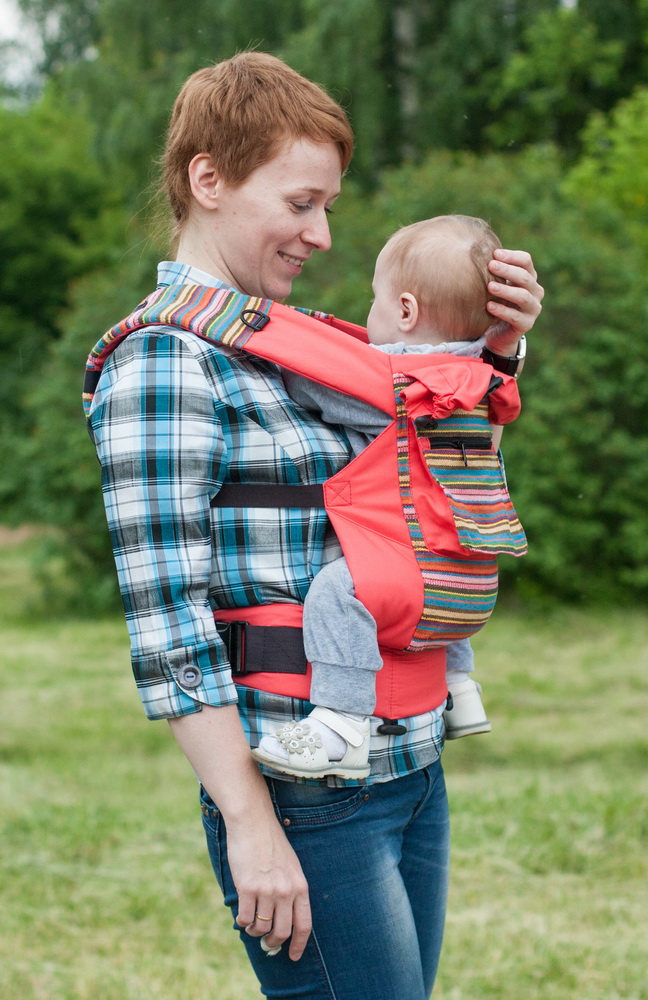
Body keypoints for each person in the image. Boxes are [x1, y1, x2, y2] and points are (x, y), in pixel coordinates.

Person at [85, 52, 543, 1000]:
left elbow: (429, 468)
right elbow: (167, 627)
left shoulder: (308, 347)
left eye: (326, 206)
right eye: (300, 205)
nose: (323, 234)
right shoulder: (166, 367)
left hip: (410, 764)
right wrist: (251, 826)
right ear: (207, 179)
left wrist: (498, 345)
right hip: (306, 802)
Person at [254, 214, 517, 780]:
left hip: (414, 586)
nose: (365, 315)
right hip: (471, 583)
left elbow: (316, 386)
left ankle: (340, 725)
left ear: (404, 311)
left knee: (337, 592)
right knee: (437, 552)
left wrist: (266, 349)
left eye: (372, 302)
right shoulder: (477, 378)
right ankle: (460, 689)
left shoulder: (402, 384)